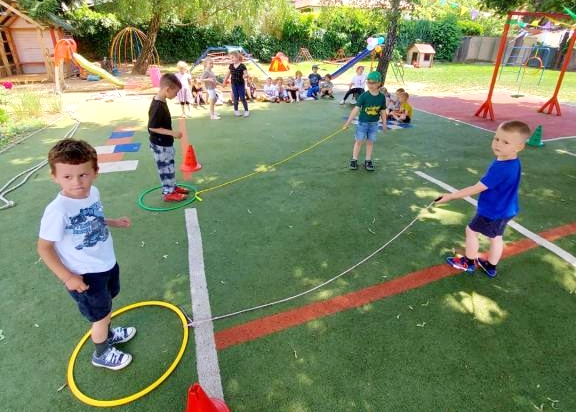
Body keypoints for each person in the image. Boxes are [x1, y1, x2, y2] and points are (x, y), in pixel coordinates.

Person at [37, 139, 135, 371]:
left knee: (107, 305)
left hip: (106, 263)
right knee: (99, 316)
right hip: (84, 275)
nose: (77, 183)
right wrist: (67, 277)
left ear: (95, 172)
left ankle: (108, 334)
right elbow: (44, 247)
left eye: (83, 175)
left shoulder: (93, 192)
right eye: (67, 176)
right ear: (54, 177)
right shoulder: (57, 210)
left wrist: (113, 222)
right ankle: (101, 353)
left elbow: (93, 217)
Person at [438, 120, 531, 278]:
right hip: (507, 209)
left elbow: (477, 188)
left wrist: (451, 196)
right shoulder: (512, 161)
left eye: (505, 142)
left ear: (518, 147)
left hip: (493, 211)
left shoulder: (501, 168)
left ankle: (468, 262)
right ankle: (490, 265)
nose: (498, 144)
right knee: (496, 237)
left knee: (471, 231)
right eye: (496, 138)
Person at [148, 73, 189, 202]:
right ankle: (168, 193)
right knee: (165, 168)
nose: (176, 95)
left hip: (165, 143)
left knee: (169, 166)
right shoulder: (157, 106)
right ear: (167, 89)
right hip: (160, 145)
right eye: (175, 92)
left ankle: (172, 187)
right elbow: (152, 127)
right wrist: (172, 133)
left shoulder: (162, 100)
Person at [343, 71, 387, 172]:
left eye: (373, 83)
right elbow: (356, 109)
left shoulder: (381, 97)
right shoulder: (364, 96)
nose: (370, 85)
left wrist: (384, 123)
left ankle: (368, 160)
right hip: (363, 123)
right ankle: (354, 160)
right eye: (368, 82)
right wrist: (348, 122)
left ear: (379, 83)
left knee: (370, 142)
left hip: (374, 124)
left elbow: (383, 111)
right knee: (359, 141)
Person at [224, 51, 250, 117]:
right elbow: (227, 75)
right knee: (235, 98)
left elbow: (246, 74)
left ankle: (246, 111)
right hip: (234, 84)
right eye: (231, 58)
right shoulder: (231, 66)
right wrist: (224, 82)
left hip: (240, 84)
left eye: (233, 57)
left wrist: (245, 76)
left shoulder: (242, 66)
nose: (231, 59)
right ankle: (236, 110)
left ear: (237, 57)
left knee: (242, 98)